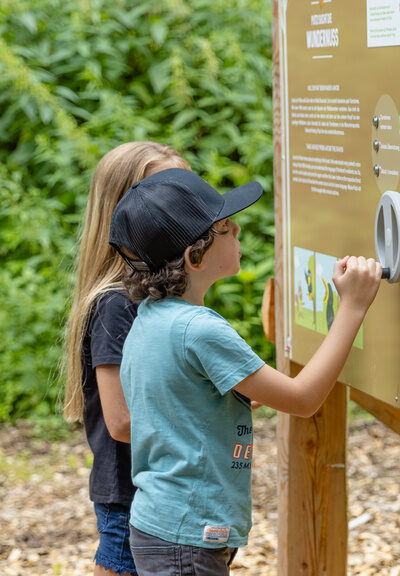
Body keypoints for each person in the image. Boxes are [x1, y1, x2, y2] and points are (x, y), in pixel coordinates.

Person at [108, 168, 381, 575]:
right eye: (224, 226)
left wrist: (218, 398)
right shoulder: (200, 330)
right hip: (188, 535)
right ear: (193, 256)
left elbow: (173, 396)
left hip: (164, 524)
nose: (238, 228)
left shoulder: (150, 317)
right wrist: (353, 306)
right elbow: (304, 398)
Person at [62, 143, 190, 576]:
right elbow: (121, 421)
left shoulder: (162, 293)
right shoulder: (117, 302)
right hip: (132, 497)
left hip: (164, 491)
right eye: (164, 192)